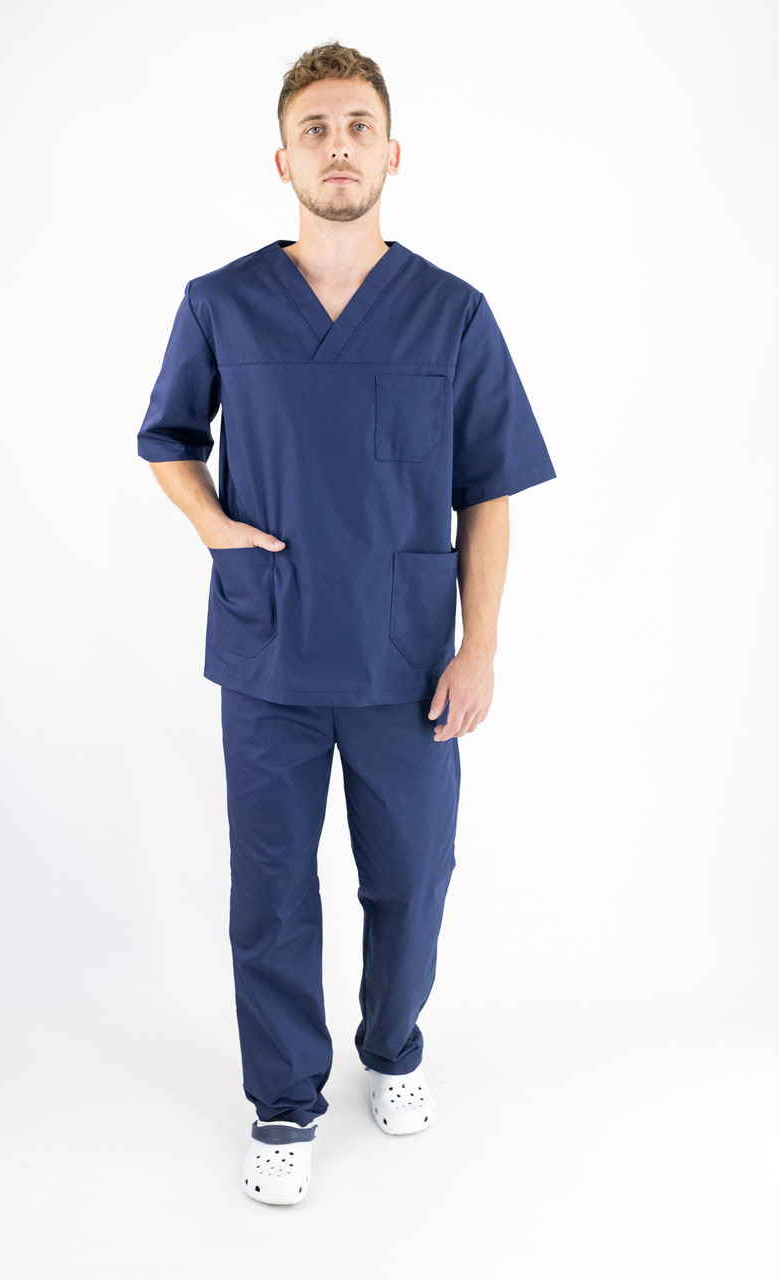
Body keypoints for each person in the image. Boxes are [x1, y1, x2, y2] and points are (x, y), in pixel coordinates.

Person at [136, 40, 556, 1206]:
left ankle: (393, 1043)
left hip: (406, 655)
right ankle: (283, 1099)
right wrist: (214, 526)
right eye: (315, 128)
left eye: (357, 125)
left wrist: (479, 645)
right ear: (282, 159)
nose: (338, 146)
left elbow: (488, 490)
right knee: (271, 887)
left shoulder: (451, 314)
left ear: (391, 153)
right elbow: (167, 439)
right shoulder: (221, 302)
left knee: (412, 876)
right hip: (269, 645)